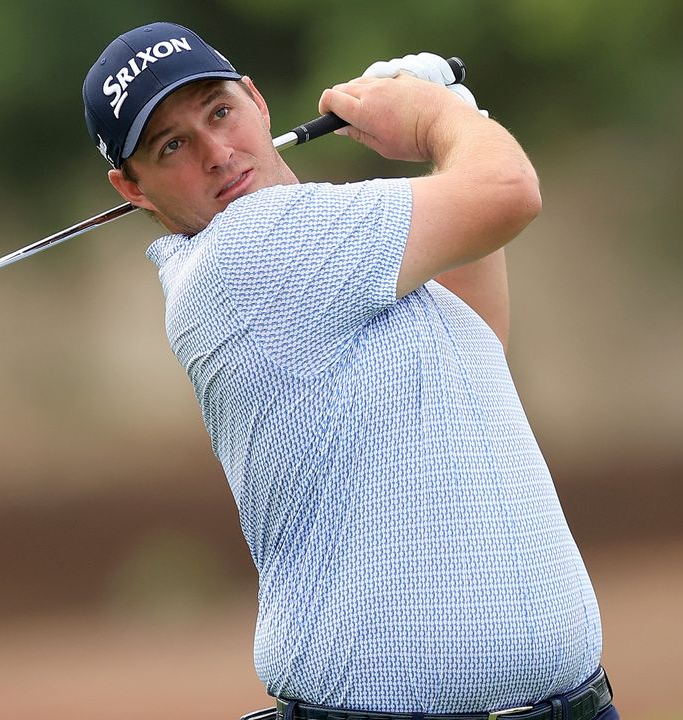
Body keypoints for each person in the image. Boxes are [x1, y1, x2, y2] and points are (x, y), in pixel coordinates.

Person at [82, 22, 616, 720]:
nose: (216, 153)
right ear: (132, 188)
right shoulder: (247, 251)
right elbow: (508, 191)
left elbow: (475, 341)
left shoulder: (332, 257)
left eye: (219, 112)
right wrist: (433, 116)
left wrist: (460, 110)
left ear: (257, 102)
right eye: (172, 145)